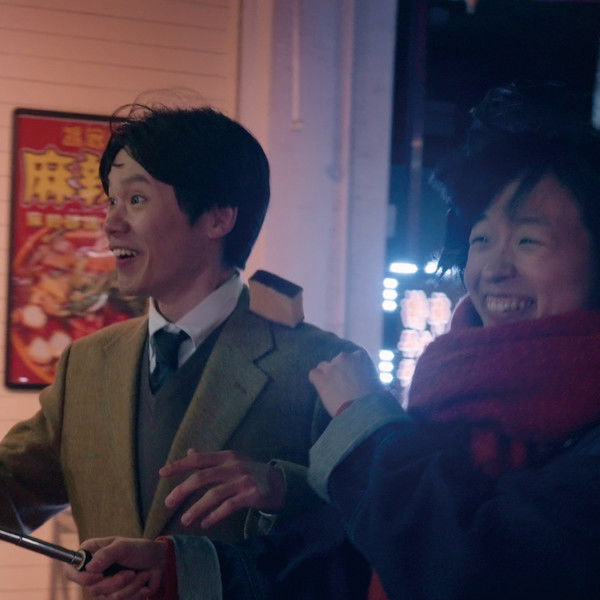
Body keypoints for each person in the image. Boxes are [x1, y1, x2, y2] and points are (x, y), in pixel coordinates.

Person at [66, 82, 600, 599]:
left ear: (219, 218)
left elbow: (472, 567)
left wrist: (357, 436)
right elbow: (343, 554)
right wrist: (179, 569)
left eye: (529, 240)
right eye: (481, 239)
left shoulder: (322, 364)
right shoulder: (447, 397)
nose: (493, 268)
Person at [0, 105, 355, 552]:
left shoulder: (320, 367)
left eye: (136, 200)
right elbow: (14, 487)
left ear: (218, 218)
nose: (111, 224)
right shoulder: (87, 363)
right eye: (112, 201)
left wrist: (284, 489)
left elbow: (369, 525)